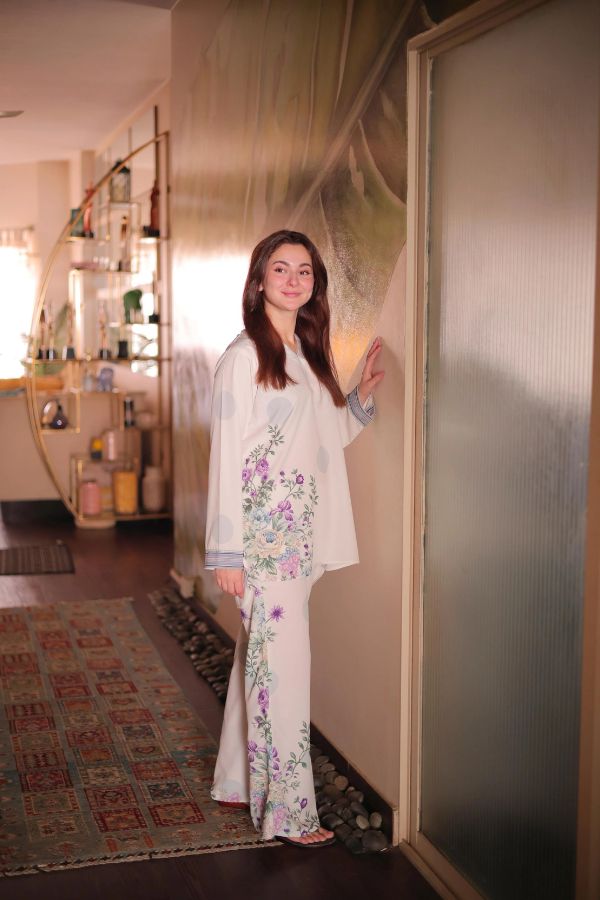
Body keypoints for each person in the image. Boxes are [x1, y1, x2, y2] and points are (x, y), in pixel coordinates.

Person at [205, 229, 384, 847]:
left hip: (296, 540)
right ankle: (287, 813)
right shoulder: (242, 358)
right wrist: (227, 553)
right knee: (283, 670)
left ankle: (236, 779)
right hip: (260, 545)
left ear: (314, 285)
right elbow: (225, 458)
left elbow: (323, 438)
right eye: (279, 269)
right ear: (258, 281)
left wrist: (357, 401)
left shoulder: (303, 353)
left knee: (261, 658)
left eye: (303, 271)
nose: (292, 279)